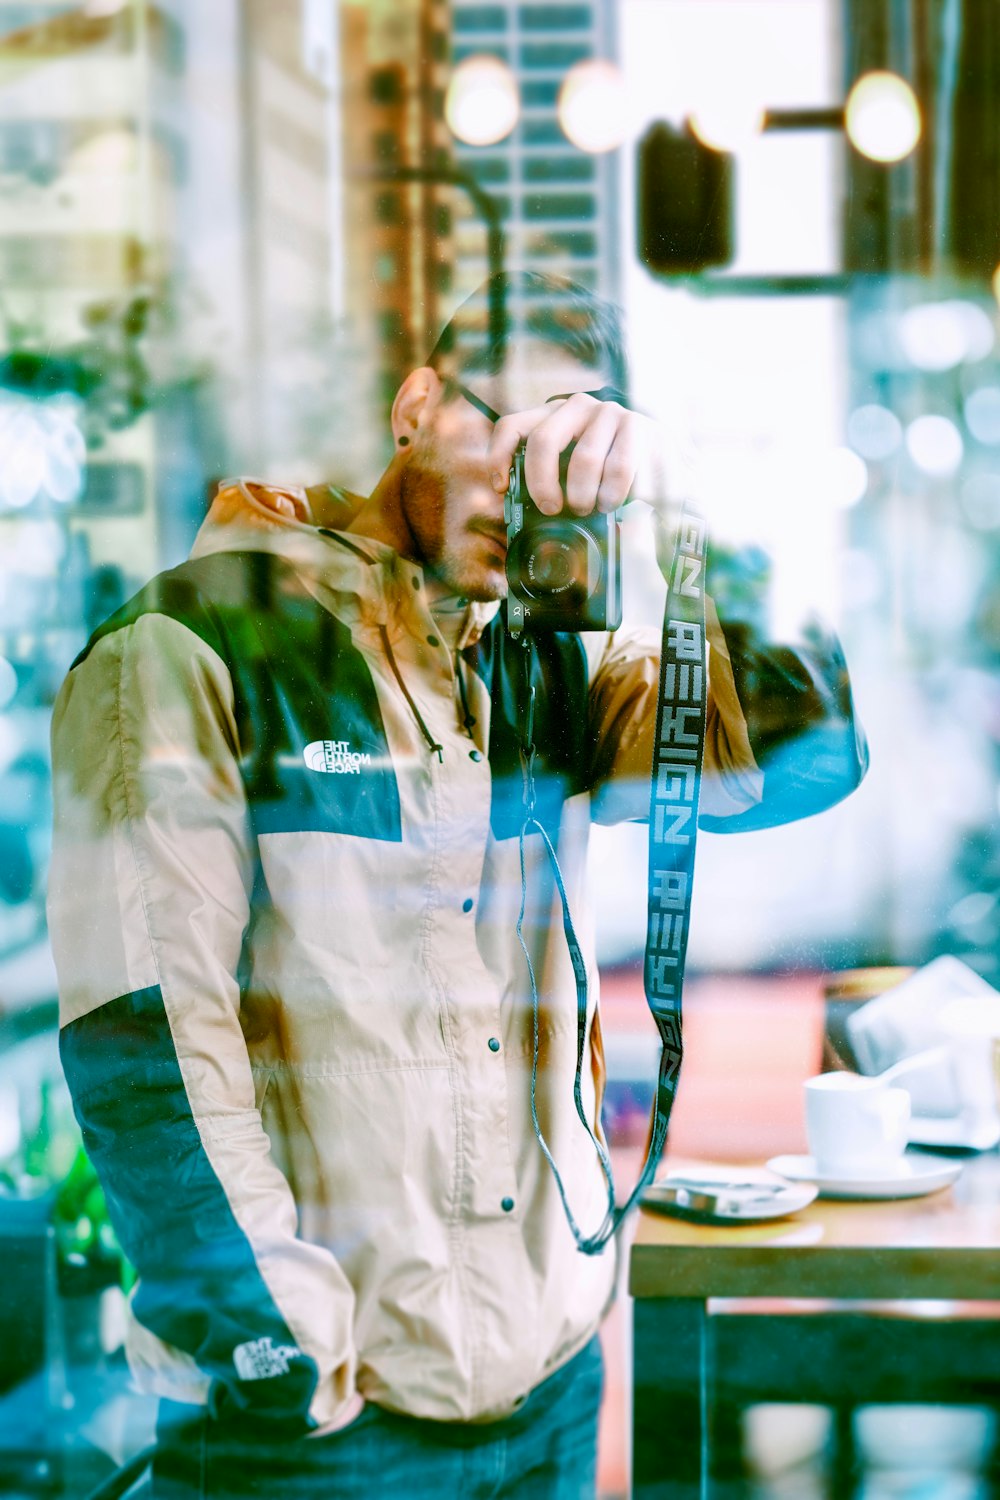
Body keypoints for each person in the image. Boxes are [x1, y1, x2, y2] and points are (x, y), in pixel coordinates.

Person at [47, 272, 867, 1498]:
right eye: (514, 429)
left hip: (551, 1377)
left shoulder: (543, 673)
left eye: (569, 453)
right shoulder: (198, 645)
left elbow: (804, 757)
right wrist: (281, 1365)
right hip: (325, 1426)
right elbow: (147, 1041)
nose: (529, 483)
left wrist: (703, 507)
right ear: (417, 403)